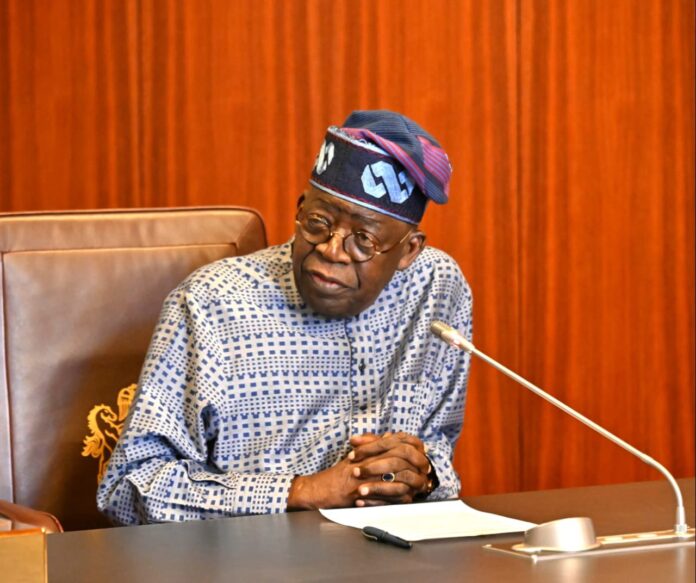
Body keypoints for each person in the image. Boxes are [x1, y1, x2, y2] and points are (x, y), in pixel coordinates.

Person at [97, 110, 473, 524]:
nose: (331, 249)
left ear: (408, 251)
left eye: (363, 240)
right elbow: (128, 489)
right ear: (300, 209)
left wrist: (423, 475)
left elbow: (437, 445)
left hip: (394, 546)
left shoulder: (437, 289)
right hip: (250, 553)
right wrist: (302, 492)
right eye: (318, 222)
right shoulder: (211, 303)